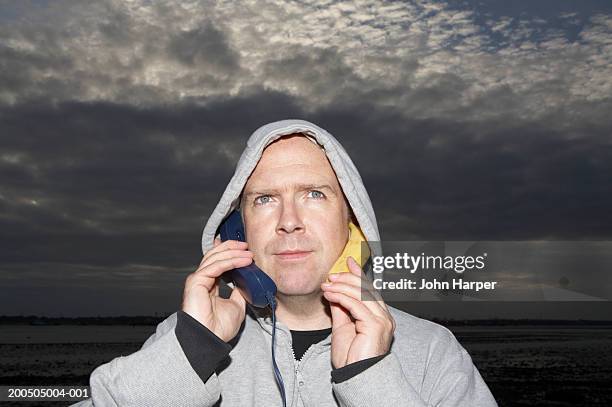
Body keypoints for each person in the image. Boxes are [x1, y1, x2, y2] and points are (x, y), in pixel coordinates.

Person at [73, 119, 497, 406]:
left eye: (314, 194)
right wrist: (192, 353)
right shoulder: (187, 338)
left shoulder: (430, 351)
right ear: (238, 230)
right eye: (264, 199)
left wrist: (372, 380)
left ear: (351, 220)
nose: (289, 222)